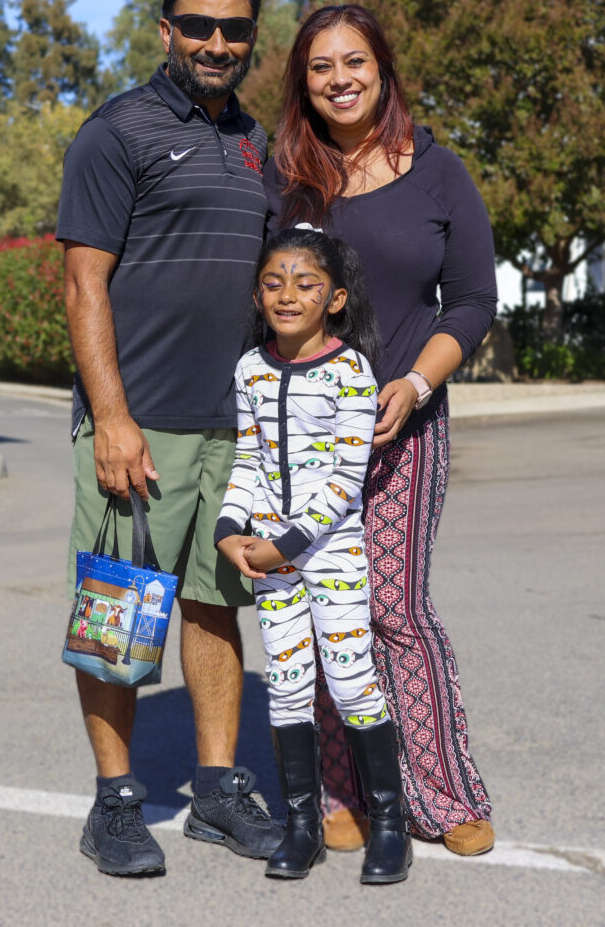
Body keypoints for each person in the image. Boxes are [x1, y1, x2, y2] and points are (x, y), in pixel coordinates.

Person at [57, 0, 283, 876]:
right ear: (164, 31)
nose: (216, 44)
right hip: (137, 425)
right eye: (198, 26)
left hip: (231, 426)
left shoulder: (254, 142)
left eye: (234, 31)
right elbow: (83, 282)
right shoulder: (117, 132)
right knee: (119, 612)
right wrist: (112, 417)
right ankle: (114, 803)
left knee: (215, 606)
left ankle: (216, 792)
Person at [264, 5, 497, 857]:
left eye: (354, 61)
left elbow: (471, 299)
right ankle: (342, 792)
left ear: (382, 68)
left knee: (395, 611)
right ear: (303, 81)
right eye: (320, 66)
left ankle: (446, 795)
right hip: (301, 433)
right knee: (325, 610)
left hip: (403, 422)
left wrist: (413, 382)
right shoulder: (285, 178)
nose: (339, 79)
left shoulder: (438, 173)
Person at [215, 227, 412, 884]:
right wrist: (228, 529)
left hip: (328, 558)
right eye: (273, 284)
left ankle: (388, 822)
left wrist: (284, 545)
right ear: (255, 294)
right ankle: (302, 825)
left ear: (334, 298)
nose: (287, 295)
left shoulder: (351, 371)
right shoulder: (249, 368)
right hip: (272, 561)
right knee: (289, 690)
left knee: (352, 682)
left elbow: (343, 482)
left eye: (304, 285)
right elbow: (247, 460)